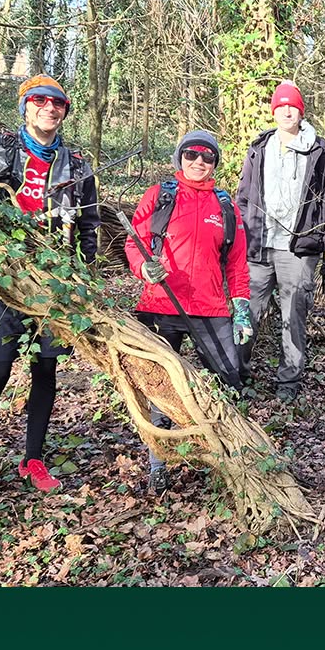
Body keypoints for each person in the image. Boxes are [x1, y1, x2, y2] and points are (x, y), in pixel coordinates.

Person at [0, 75, 99, 496]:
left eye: (58, 103)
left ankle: (33, 458)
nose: (49, 108)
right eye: (40, 101)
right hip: (2, 282)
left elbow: (88, 225)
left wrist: (83, 274)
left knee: (45, 371)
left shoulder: (76, 164)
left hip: (55, 284)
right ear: (25, 106)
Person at [125, 129, 250, 493]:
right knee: (161, 388)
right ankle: (158, 465)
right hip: (160, 305)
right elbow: (136, 240)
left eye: (207, 157)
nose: (199, 162)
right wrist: (143, 267)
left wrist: (241, 307)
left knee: (229, 383)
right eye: (192, 154)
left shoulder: (225, 206)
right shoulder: (160, 196)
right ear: (179, 157)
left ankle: (232, 459)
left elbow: (237, 263)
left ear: (215, 164)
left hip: (210, 308)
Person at [236, 80, 325, 403]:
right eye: (281, 106)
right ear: (274, 110)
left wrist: (322, 239)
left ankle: (288, 382)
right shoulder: (259, 148)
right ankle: (236, 373)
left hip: (298, 248)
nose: (287, 111)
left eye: (292, 106)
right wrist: (244, 231)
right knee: (247, 311)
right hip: (259, 245)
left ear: (300, 111)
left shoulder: (317, 149)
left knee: (293, 316)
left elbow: (324, 199)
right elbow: (244, 197)